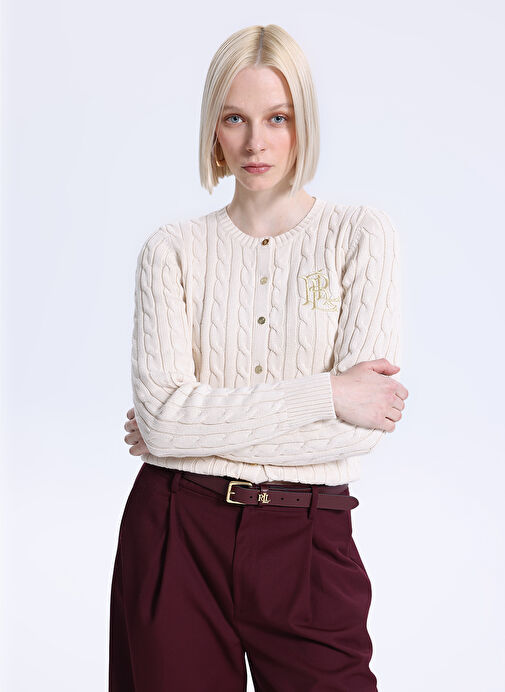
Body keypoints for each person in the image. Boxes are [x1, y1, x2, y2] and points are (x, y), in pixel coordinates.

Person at [109, 23, 408, 692]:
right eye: (234, 118)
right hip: (175, 532)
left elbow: (360, 427)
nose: (255, 143)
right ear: (212, 129)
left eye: (277, 117)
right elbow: (164, 423)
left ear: (303, 122)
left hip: (310, 539)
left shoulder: (360, 235)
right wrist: (328, 393)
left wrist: (190, 428)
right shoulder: (171, 250)